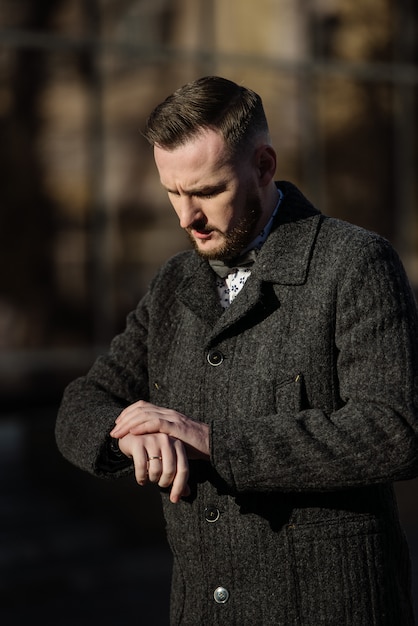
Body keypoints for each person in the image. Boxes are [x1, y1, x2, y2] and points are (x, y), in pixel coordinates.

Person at [56, 76, 418, 625]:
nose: (186, 218)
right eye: (172, 192)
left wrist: (211, 443)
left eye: (206, 191)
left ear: (265, 166)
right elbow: (82, 404)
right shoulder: (174, 283)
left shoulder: (355, 263)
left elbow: (394, 431)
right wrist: (134, 432)